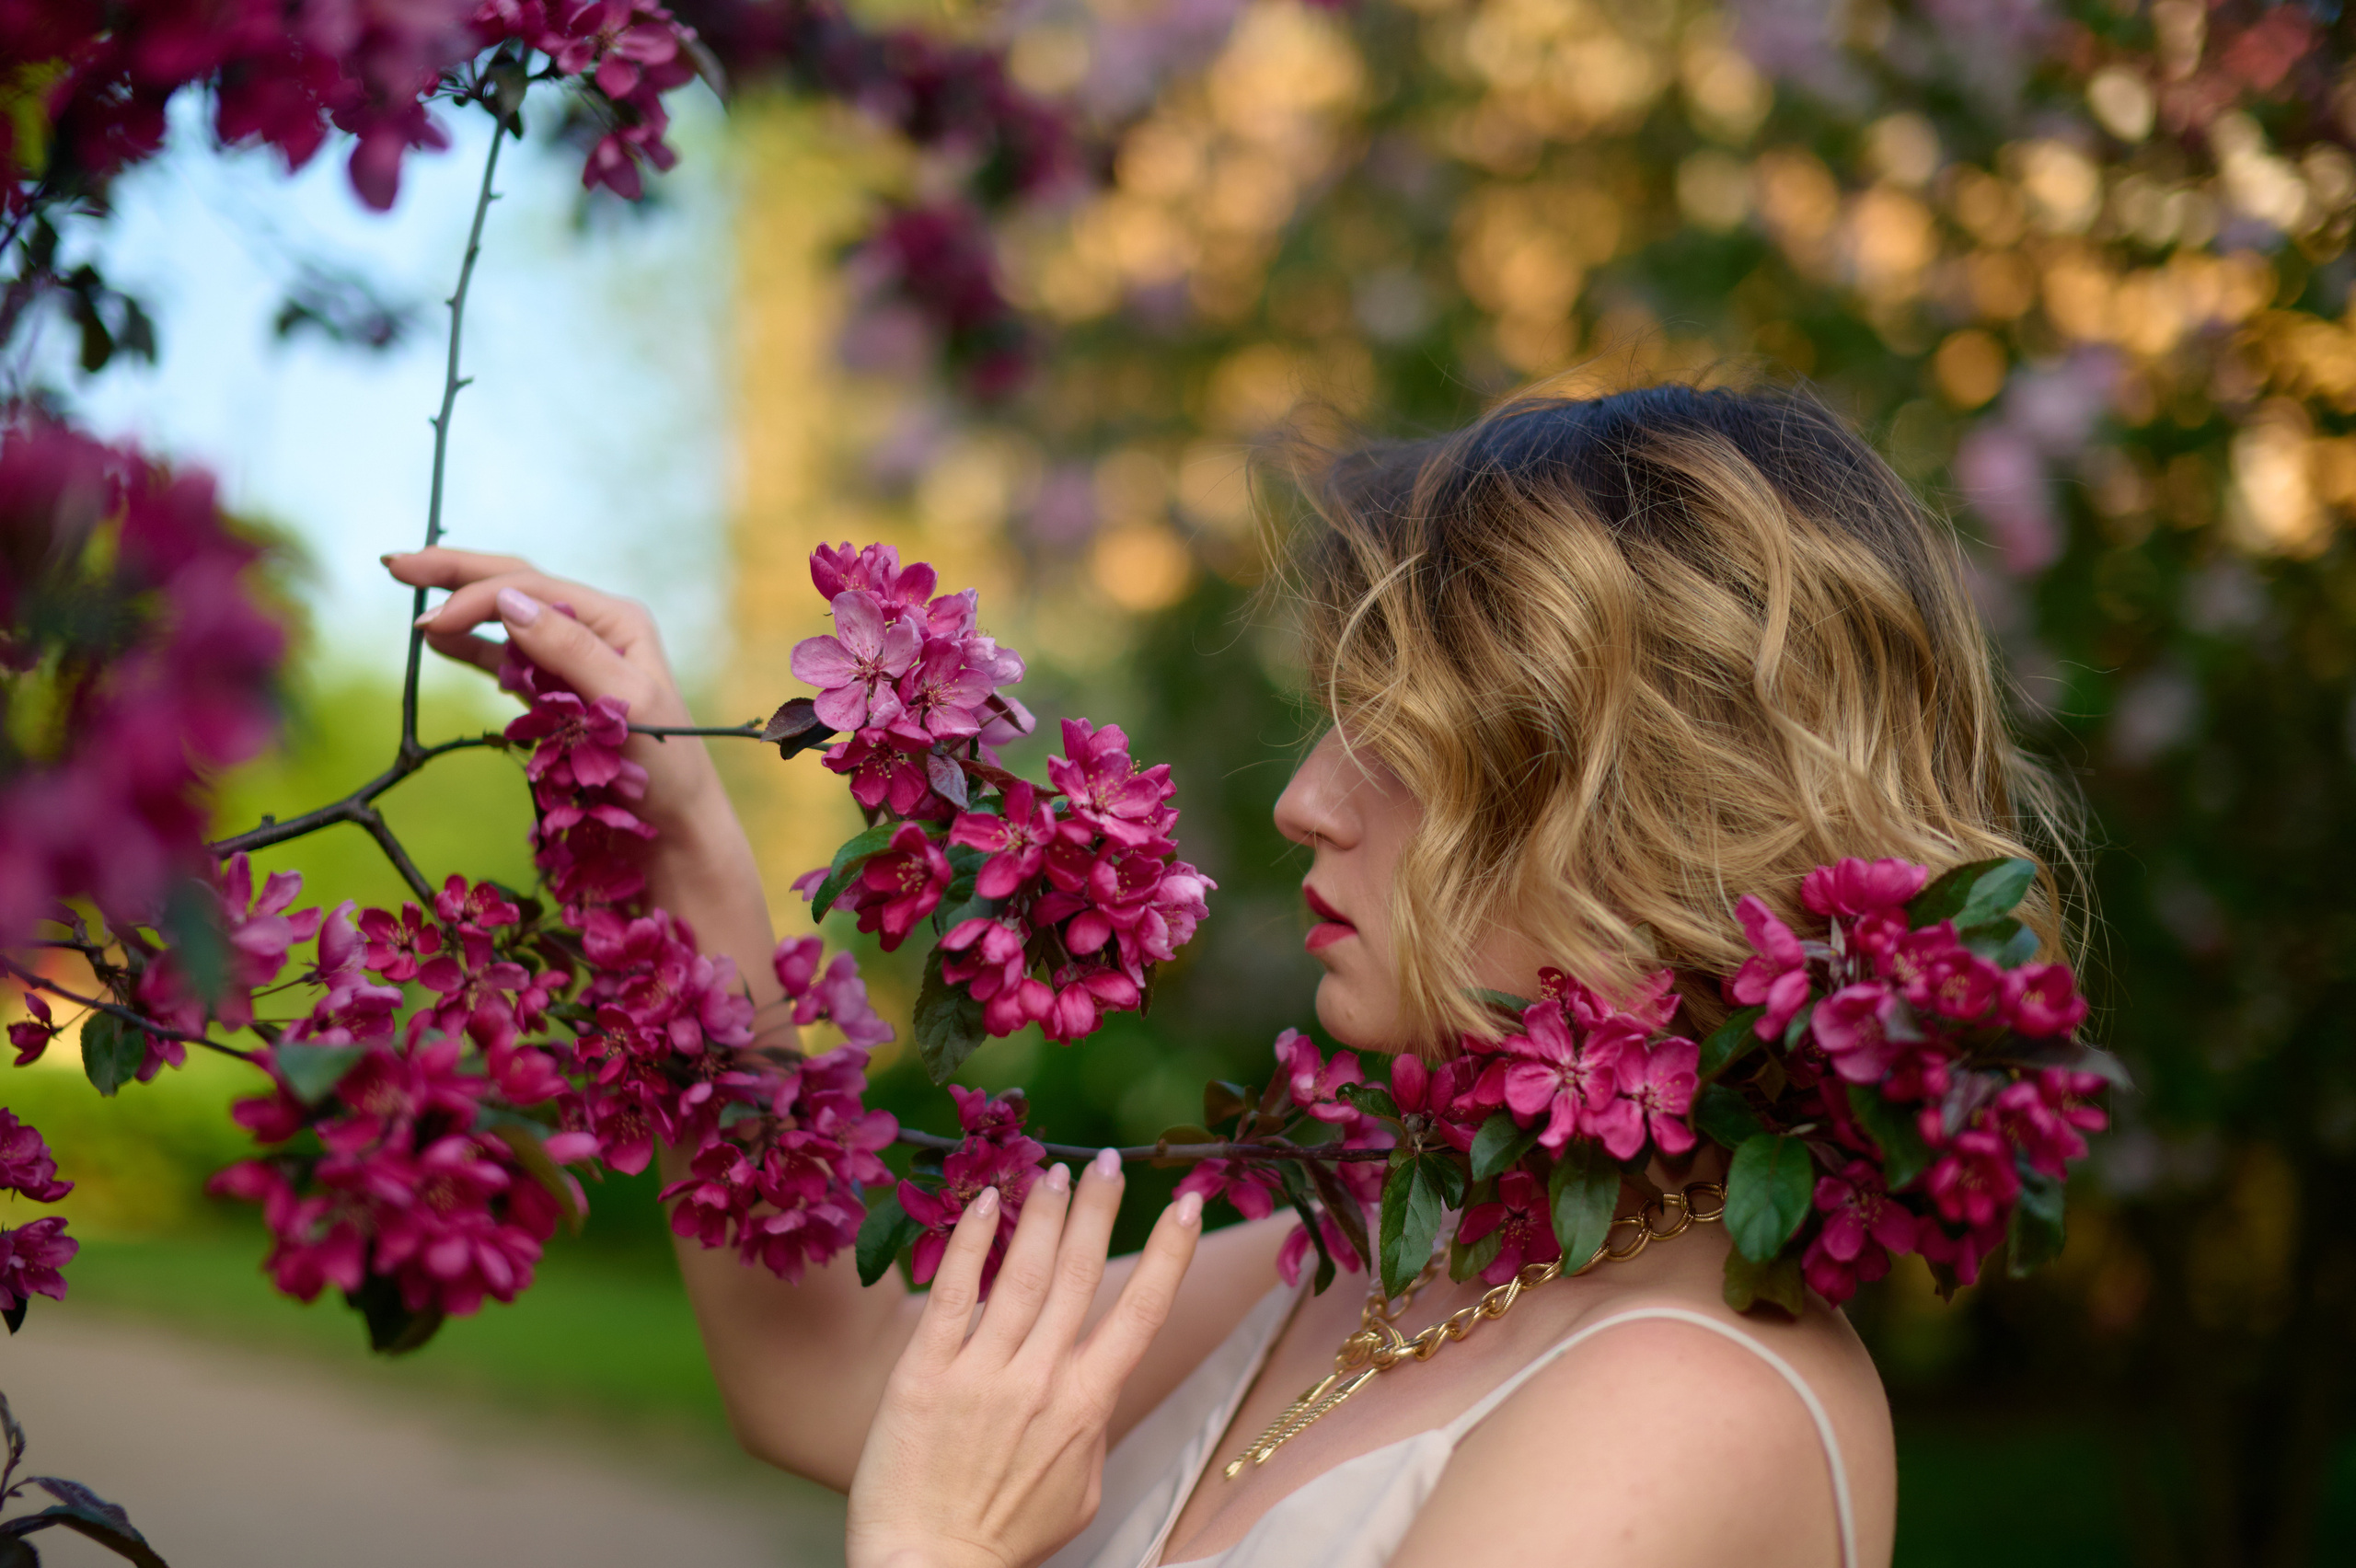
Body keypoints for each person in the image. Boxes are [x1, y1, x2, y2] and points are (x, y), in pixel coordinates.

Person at [388, 379, 2073, 1568]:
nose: (1299, 800)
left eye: (1397, 746)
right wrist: (679, 851)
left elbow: (919, 1482)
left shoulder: (1688, 1409)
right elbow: (830, 1374)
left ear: (1647, 816)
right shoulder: (1370, 1261)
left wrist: (933, 1553)